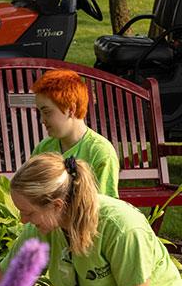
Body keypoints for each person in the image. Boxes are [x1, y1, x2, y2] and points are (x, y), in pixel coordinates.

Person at [0, 153, 182, 286]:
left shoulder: (121, 228)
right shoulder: (40, 229)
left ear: (56, 205)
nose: (22, 219)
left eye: (28, 212)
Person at [31, 69, 120, 198]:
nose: (42, 120)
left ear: (71, 109)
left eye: (47, 112)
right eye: (40, 112)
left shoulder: (100, 152)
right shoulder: (44, 148)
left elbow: (105, 207)